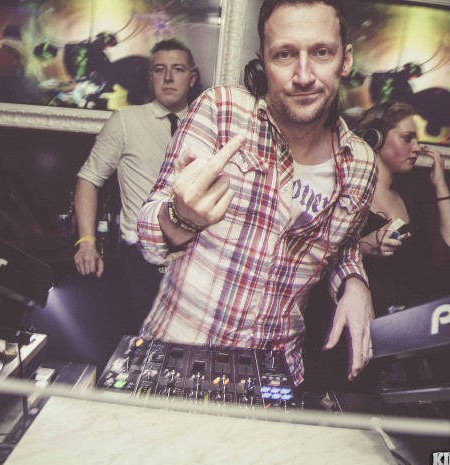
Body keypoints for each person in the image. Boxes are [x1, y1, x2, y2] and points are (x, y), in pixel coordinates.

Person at [137, 0, 378, 387]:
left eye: (321, 52)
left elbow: (341, 245)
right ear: (263, 60)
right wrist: (180, 217)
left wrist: (355, 283)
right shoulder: (222, 110)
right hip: (176, 360)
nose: (304, 75)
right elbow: (148, 237)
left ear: (345, 59)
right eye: (285, 54)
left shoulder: (361, 164)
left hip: (273, 376)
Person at [73, 38, 198, 325]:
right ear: (150, 76)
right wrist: (87, 242)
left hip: (193, 259)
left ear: (192, 77)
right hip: (140, 258)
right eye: (159, 69)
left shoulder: (208, 125)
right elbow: (88, 178)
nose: (168, 77)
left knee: (188, 340)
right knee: (140, 339)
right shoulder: (125, 120)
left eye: (178, 69)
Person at [355, 101, 450, 317]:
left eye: (416, 139)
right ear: (375, 138)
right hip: (366, 317)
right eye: (407, 138)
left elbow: (445, 251)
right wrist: (364, 246)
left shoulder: (408, 198)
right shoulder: (351, 197)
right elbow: (325, 257)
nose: (417, 147)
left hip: (407, 319)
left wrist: (440, 185)